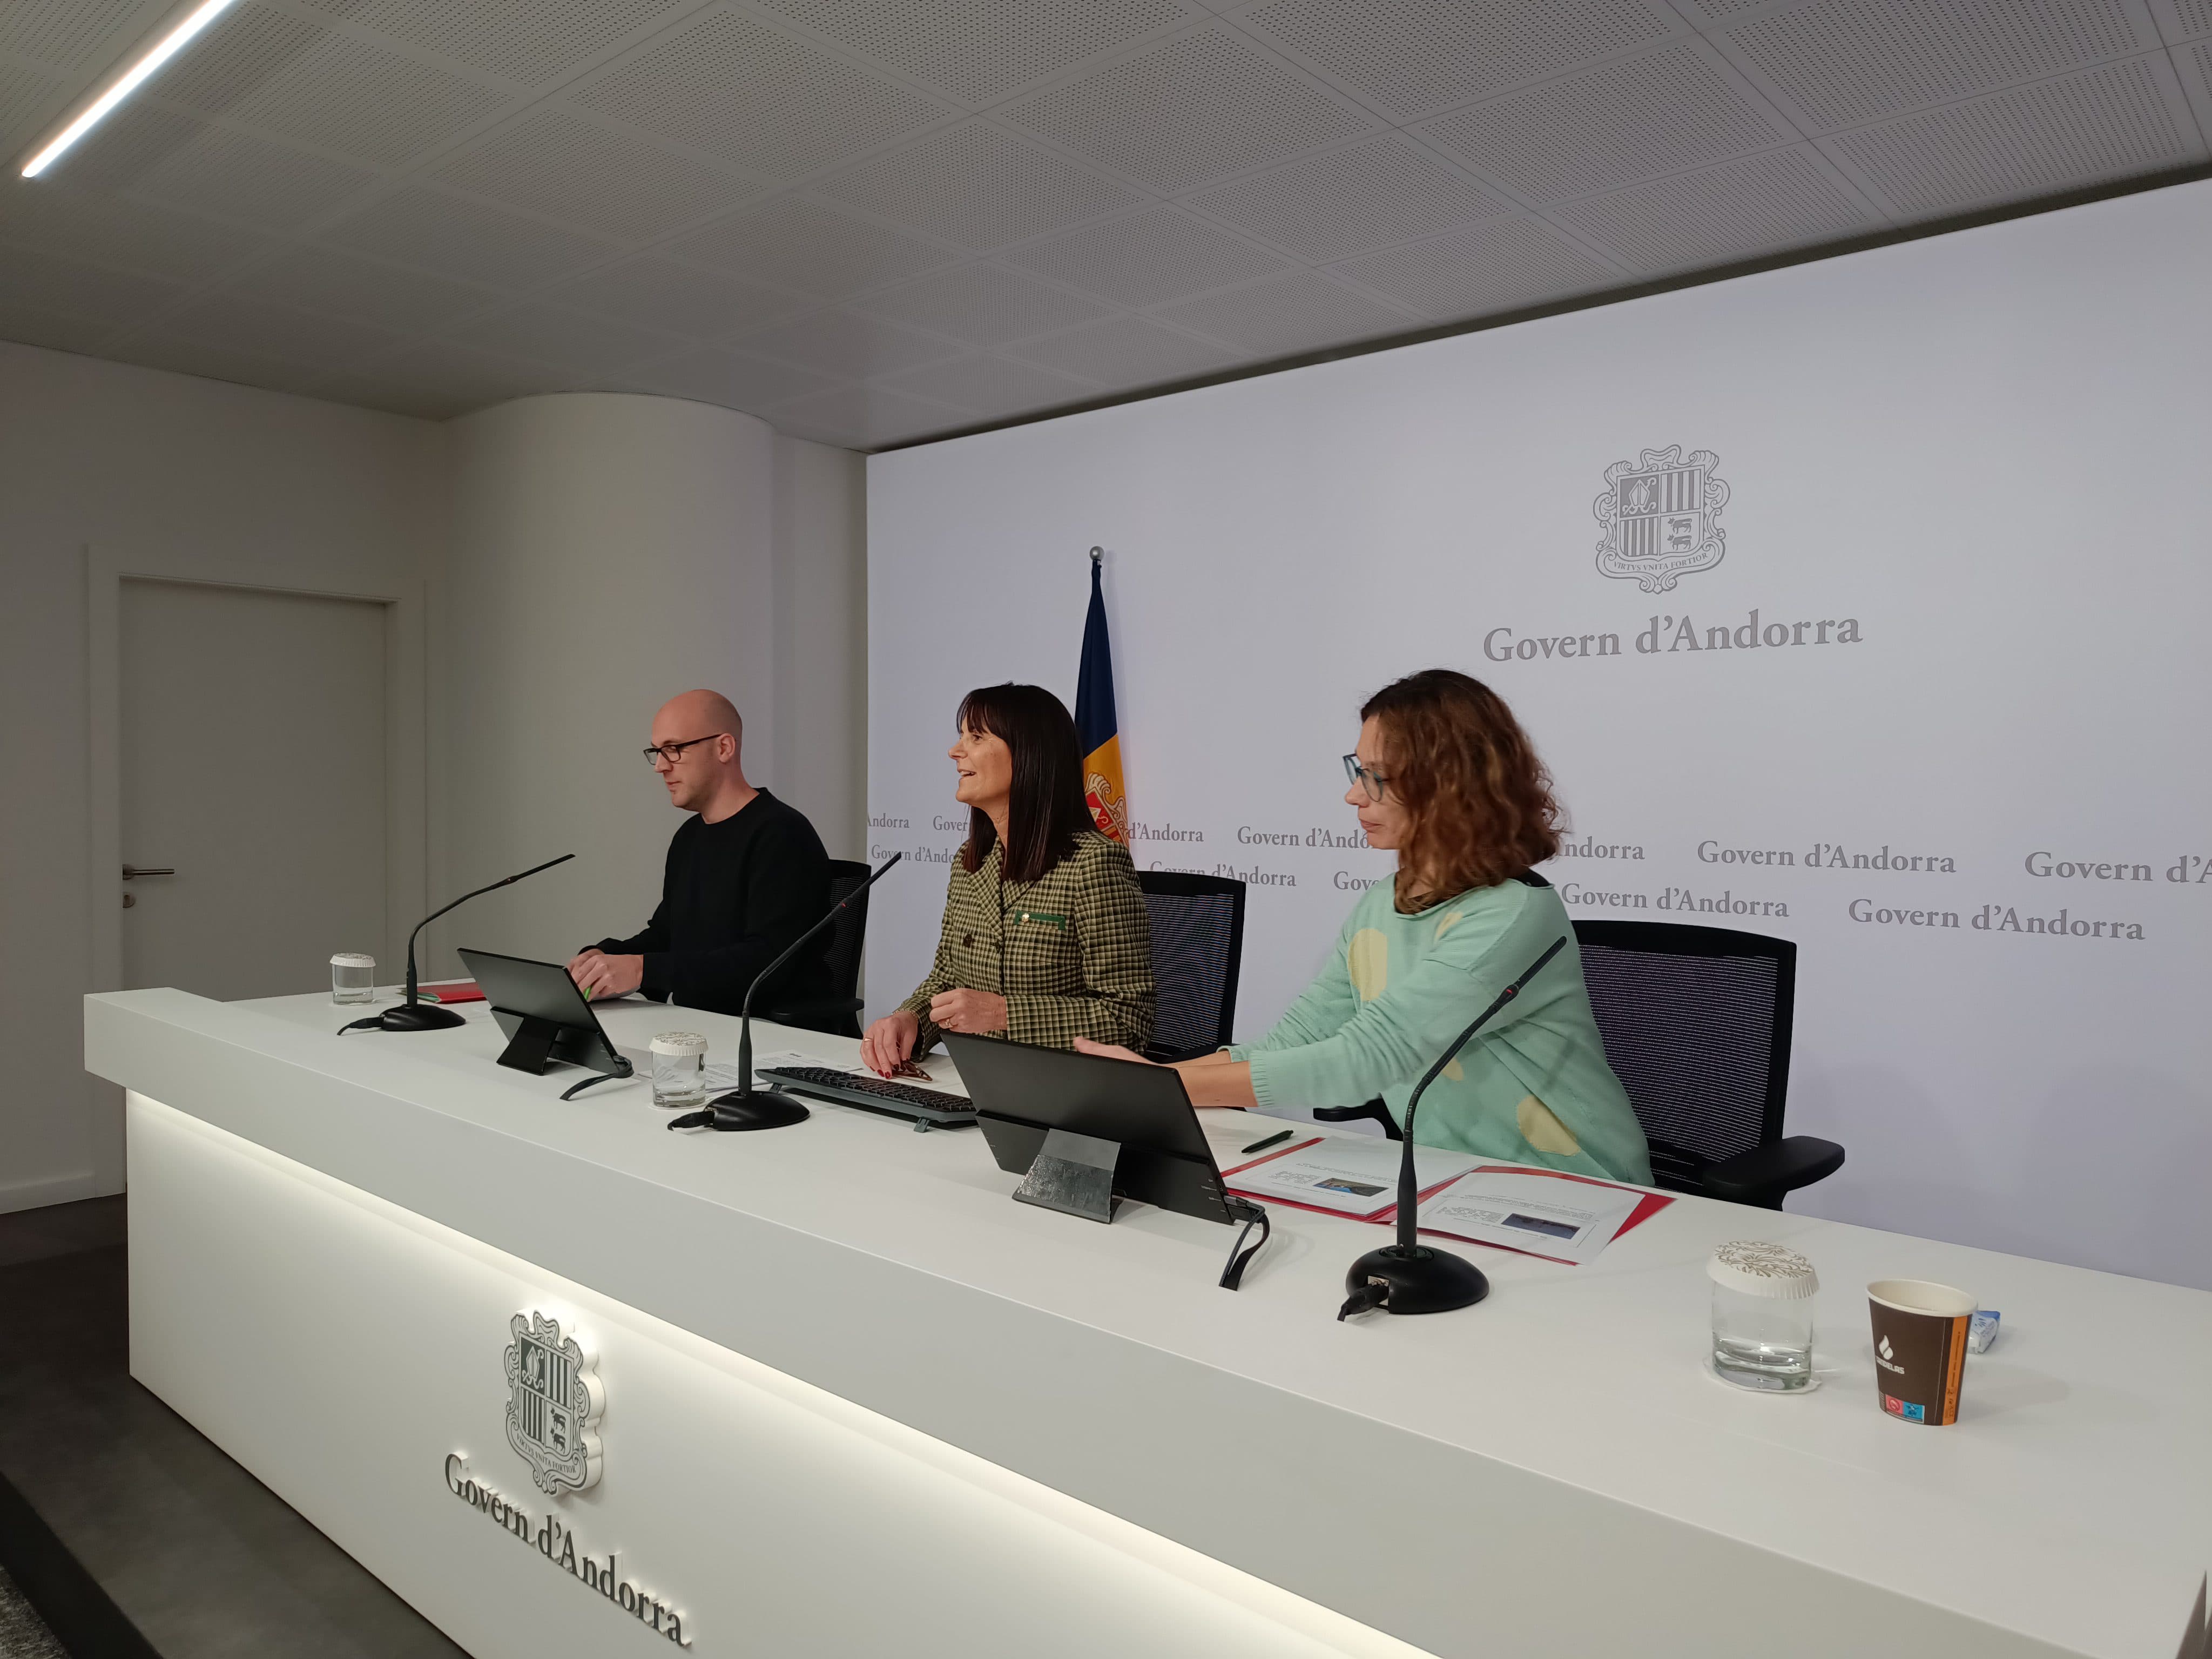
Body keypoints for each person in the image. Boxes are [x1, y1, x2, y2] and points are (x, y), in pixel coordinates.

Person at [1077, 669, 1651, 1185]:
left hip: (1575, 1187)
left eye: (1375, 776)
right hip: (1446, 1176)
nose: (1353, 794)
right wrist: (1151, 1086)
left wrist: (1159, 1092)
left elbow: (1367, 1058)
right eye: (1358, 772)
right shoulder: (1382, 903)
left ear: (1448, 782)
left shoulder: (1513, 913)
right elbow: (1295, 1040)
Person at [859, 684, 1153, 1074]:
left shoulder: (1094, 864)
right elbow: (948, 976)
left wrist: (1004, 1014)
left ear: (1029, 754)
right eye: (961, 735)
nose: (955, 751)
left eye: (976, 737)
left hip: (1065, 1092)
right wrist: (910, 1020)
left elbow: (1127, 1020)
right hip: (979, 1082)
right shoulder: (969, 861)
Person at [568, 690, 834, 1019]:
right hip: (698, 1028)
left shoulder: (782, 834)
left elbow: (768, 961)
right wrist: (603, 958)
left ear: (724, 747)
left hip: (769, 1037)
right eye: (657, 751)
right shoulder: (689, 837)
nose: (661, 767)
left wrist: (641, 970)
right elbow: (669, 935)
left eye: (674, 749)